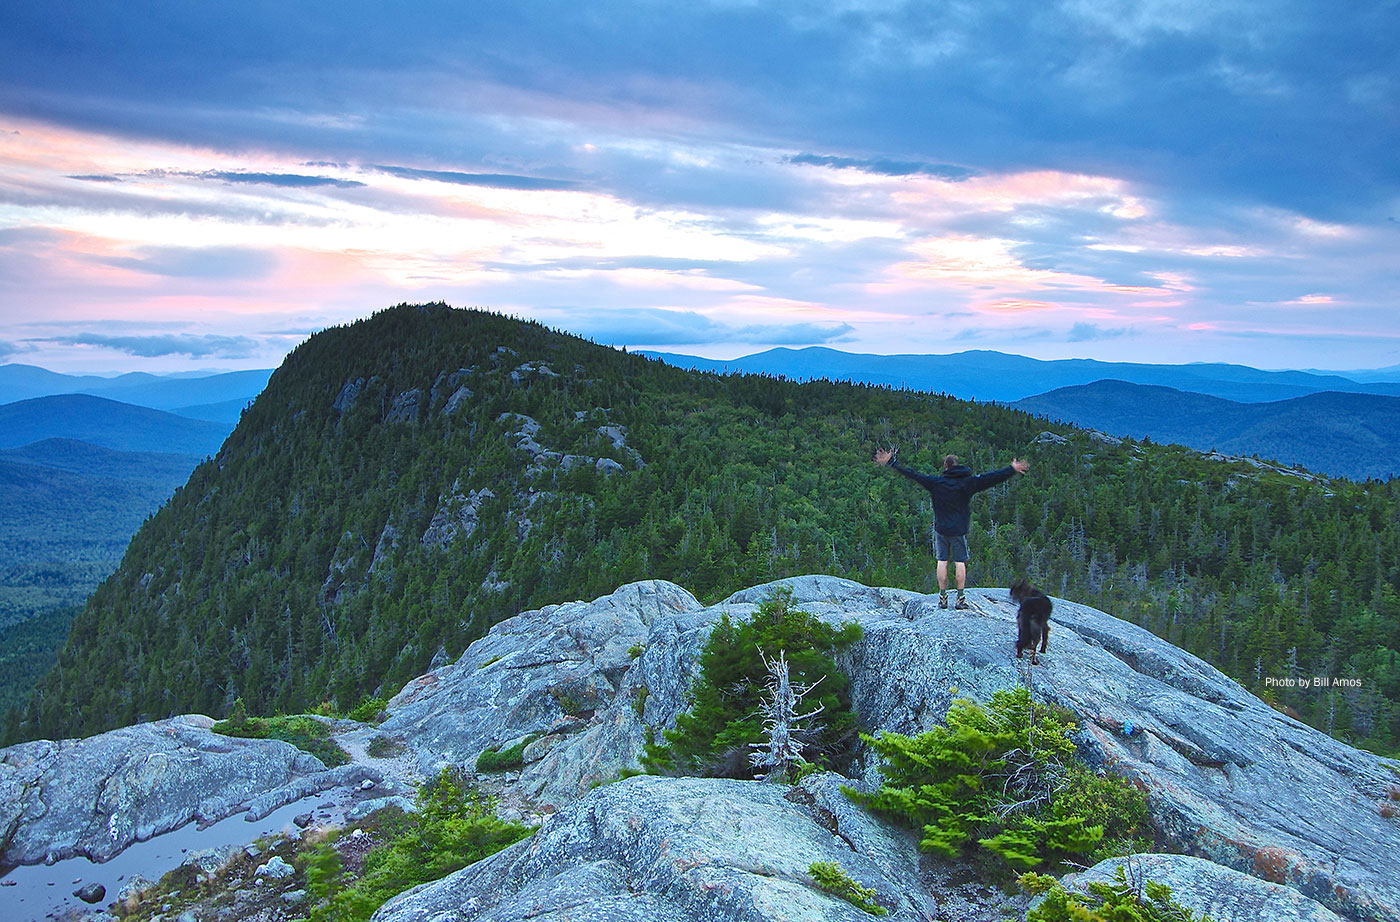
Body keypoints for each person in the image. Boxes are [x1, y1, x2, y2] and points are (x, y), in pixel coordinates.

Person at [874, 448, 1029, 609]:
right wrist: (1011, 469)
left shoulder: (936, 483)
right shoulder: (968, 483)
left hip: (941, 529)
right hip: (959, 530)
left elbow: (913, 474)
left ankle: (942, 598)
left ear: (945, 466)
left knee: (942, 561)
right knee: (960, 562)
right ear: (956, 465)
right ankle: (960, 598)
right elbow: (992, 478)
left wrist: (893, 462)